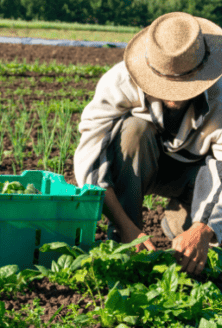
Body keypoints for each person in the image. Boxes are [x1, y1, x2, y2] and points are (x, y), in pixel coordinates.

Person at [73, 11, 222, 276]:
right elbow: (91, 164)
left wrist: (203, 228)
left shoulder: (219, 96)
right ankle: (124, 239)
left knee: (201, 246)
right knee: (133, 129)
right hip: (139, 163)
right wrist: (128, 229)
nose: (174, 97)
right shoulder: (119, 82)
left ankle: (180, 219)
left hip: (194, 174)